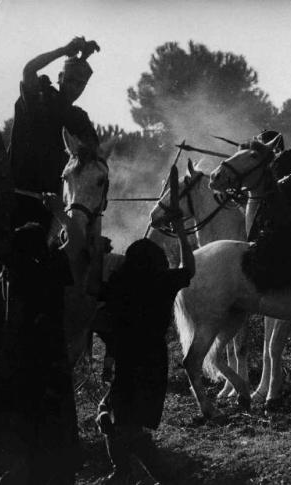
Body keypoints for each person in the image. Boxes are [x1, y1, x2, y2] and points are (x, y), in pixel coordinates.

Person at [96, 172, 195, 484]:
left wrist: (96, 248)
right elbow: (189, 269)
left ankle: (154, 476)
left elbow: (93, 293)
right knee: (116, 420)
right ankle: (124, 473)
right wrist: (181, 232)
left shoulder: (121, 286)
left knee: (119, 423)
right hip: (153, 364)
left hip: (128, 365)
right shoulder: (162, 284)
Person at [0, 193, 84, 485]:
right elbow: (77, 239)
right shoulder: (51, 268)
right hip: (53, 364)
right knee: (56, 432)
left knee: (26, 435)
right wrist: (59, 211)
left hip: (19, 368)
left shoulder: (10, 276)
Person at [9, 36, 100, 232]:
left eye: (80, 84)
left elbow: (94, 156)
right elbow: (29, 69)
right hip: (12, 198)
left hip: (52, 208)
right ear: (60, 77)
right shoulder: (38, 98)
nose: (74, 88)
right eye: (70, 80)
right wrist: (63, 50)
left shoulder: (79, 119)